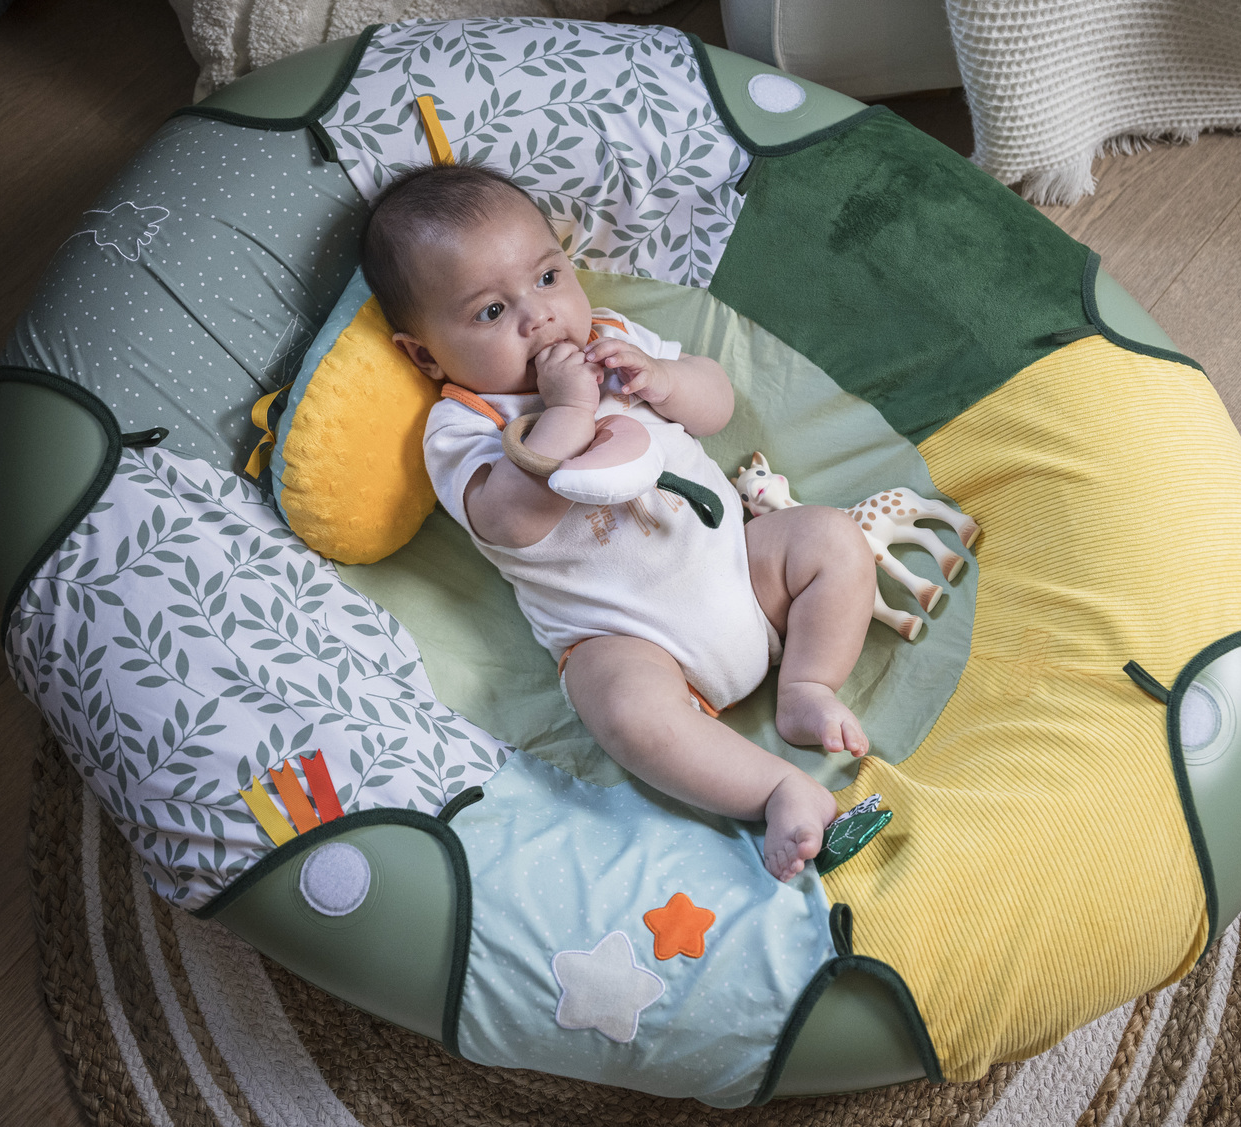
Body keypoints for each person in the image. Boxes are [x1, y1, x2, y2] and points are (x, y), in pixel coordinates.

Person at [363, 165, 876, 880]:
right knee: (625, 712)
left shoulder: (612, 338)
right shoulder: (463, 425)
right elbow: (508, 520)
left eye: (548, 278)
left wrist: (665, 380)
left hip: (740, 566)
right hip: (627, 638)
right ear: (425, 354)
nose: (539, 317)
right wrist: (568, 411)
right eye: (491, 312)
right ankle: (775, 789)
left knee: (833, 540)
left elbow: (716, 403)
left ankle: (806, 687)